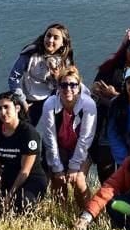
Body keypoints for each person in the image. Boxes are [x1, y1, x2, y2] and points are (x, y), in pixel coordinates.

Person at [90, 27, 130, 183]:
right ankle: (109, 203)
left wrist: (113, 95)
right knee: (105, 168)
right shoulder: (112, 67)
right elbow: (95, 89)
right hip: (108, 123)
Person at [38, 66, 97, 209]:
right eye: (64, 85)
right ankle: (62, 215)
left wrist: (74, 166)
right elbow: (50, 138)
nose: (68, 89)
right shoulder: (50, 104)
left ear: (79, 86)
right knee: (58, 181)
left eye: (73, 85)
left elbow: (85, 138)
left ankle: (87, 215)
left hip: (82, 148)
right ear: (58, 87)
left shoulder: (88, 104)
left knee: (78, 181)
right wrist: (57, 167)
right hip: (59, 147)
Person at [0, 92, 48, 212]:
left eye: (6, 107)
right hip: (9, 177)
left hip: (31, 179)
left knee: (20, 204)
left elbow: (25, 170)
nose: (3, 112)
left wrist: (10, 196)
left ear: (17, 108)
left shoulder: (28, 133)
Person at [8, 23, 74, 126]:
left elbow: (69, 88)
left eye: (56, 38)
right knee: (24, 130)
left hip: (52, 99)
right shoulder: (30, 53)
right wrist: (21, 100)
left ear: (63, 43)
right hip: (28, 99)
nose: (50, 40)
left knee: (55, 130)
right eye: (48, 36)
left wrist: (57, 76)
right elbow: (13, 77)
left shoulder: (65, 61)